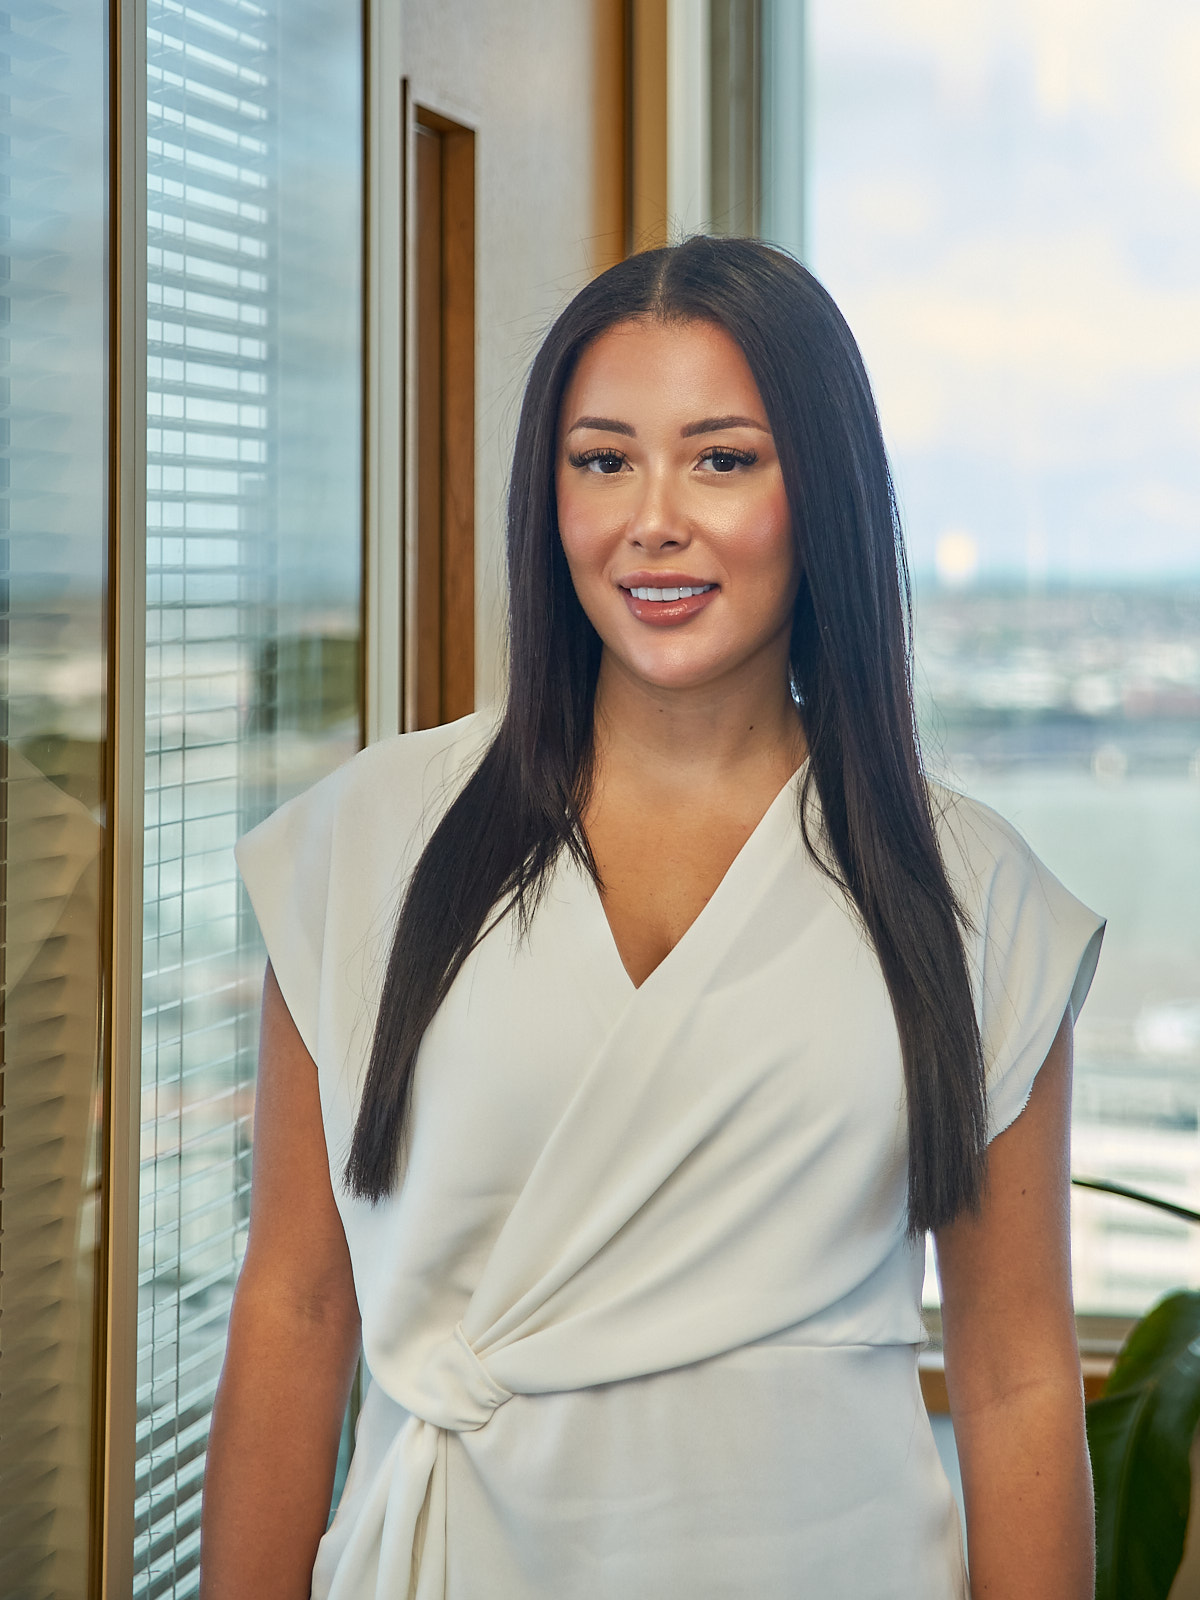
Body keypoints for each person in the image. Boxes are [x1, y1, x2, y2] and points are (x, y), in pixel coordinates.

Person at [200, 236, 1104, 1600]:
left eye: (723, 459)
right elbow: (294, 1309)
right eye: (602, 459)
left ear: (826, 497)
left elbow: (1020, 1373)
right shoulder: (366, 847)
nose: (653, 519)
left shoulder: (975, 893)